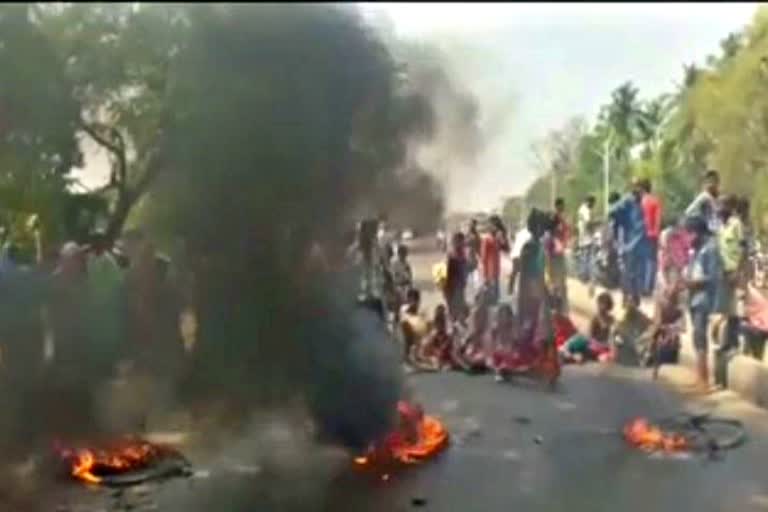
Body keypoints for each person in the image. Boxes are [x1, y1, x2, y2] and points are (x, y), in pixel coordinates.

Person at [684, 215, 721, 392]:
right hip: (693, 297)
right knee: (696, 338)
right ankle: (698, 376)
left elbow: (713, 277)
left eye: (690, 233)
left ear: (698, 232)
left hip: (703, 299)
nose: (688, 237)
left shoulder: (710, 249)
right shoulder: (696, 249)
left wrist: (694, 283)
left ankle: (704, 380)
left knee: (700, 336)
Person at [713, 195, 745, 388]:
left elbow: (743, 249)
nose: (719, 209)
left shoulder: (736, 225)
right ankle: (728, 342)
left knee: (734, 309)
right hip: (722, 272)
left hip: (734, 271)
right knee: (725, 308)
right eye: (718, 206)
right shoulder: (720, 227)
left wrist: (739, 271)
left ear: (730, 207)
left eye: (723, 206)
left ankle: (733, 343)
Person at [608, 179, 649, 305]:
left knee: (638, 273)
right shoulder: (627, 201)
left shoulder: (643, 202)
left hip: (641, 243)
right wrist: (621, 222)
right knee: (628, 272)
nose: (639, 190)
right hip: (629, 244)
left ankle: (635, 297)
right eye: (637, 187)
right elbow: (611, 212)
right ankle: (627, 297)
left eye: (641, 187)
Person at [614, 293, 653, 366]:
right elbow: (616, 331)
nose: (630, 304)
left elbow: (650, 326)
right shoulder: (621, 314)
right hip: (624, 342)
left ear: (637, 304)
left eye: (632, 301)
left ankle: (644, 357)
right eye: (628, 301)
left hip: (637, 341)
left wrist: (645, 336)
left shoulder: (641, 316)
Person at [639, 178, 662, 297]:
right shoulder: (655, 201)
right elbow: (658, 221)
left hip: (639, 236)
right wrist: (656, 234)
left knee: (641, 261)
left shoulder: (639, 202)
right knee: (651, 262)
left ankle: (641, 286)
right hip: (652, 235)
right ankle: (648, 287)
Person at [480, 215, 509, 305]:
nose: (492, 227)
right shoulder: (486, 239)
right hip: (488, 273)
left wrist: (502, 238)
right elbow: (483, 258)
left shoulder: (497, 238)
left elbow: (507, 249)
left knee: (495, 299)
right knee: (490, 298)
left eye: (495, 225)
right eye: (492, 225)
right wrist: (484, 276)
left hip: (496, 272)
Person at [547, 198, 570, 312]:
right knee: (555, 281)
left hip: (558, 253)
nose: (562, 208)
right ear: (557, 206)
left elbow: (565, 233)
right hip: (554, 253)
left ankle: (560, 306)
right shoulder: (555, 218)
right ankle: (555, 305)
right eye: (561, 206)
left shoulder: (562, 219)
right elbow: (551, 233)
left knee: (560, 281)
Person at [419, 304, 456, 370]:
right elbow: (428, 347)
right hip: (436, 357)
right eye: (438, 322)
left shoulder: (447, 334)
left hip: (444, 359)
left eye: (442, 322)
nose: (440, 324)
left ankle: (436, 363)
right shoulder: (433, 335)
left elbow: (447, 348)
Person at [400, 288, 429, 367]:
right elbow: (402, 324)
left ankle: (417, 354)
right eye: (410, 299)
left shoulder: (422, 311)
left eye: (414, 299)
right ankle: (407, 355)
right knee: (405, 325)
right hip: (408, 338)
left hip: (420, 337)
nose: (412, 302)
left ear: (418, 300)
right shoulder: (403, 310)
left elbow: (425, 327)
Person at [444, 232, 469, 324]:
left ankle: (459, 322)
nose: (462, 243)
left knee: (460, 309)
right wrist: (447, 290)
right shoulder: (452, 256)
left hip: (460, 287)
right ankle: (455, 323)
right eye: (460, 241)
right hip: (453, 287)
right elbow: (447, 274)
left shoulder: (462, 255)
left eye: (462, 241)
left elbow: (464, 270)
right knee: (454, 311)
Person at [576, 196, 598, 292]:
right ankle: (588, 278)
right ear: (589, 202)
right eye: (593, 203)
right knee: (590, 259)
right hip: (587, 238)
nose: (593, 206)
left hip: (583, 238)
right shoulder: (586, 210)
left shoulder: (581, 209)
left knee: (584, 258)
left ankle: (583, 276)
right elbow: (589, 223)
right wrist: (598, 223)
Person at [508, 221, 532, 298]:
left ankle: (510, 290)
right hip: (521, 255)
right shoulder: (530, 234)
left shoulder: (521, 232)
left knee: (514, 273)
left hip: (515, 255)